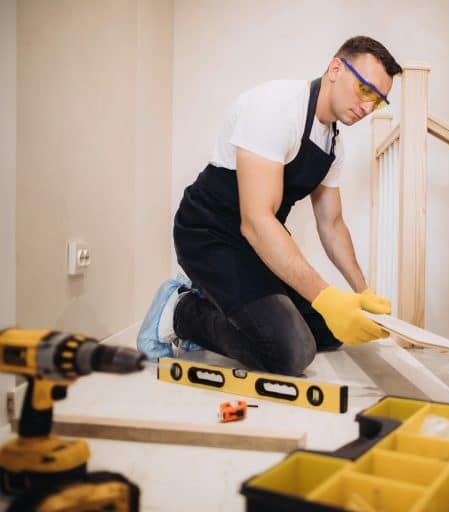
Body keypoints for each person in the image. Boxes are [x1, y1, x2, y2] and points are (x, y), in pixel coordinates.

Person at [137, 36, 403, 376]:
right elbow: (256, 220)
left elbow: (332, 224)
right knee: (290, 352)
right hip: (210, 234)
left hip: (256, 243)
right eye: (366, 90)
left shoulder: (334, 144)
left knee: (328, 331)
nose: (368, 108)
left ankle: (210, 297)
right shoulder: (276, 108)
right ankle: (181, 311)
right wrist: (325, 296)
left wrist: (361, 292)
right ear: (336, 68)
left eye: (378, 102)